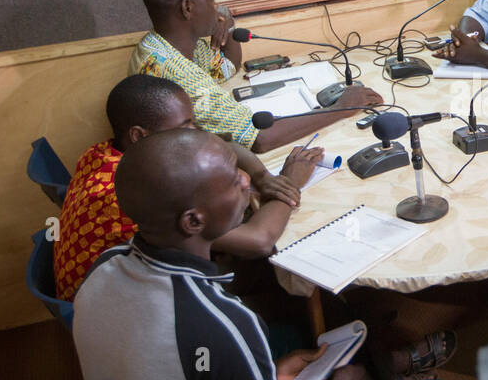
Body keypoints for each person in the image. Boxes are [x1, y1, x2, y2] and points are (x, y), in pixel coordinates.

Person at [72, 127, 467, 380]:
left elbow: (176, 378)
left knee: (297, 345)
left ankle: (369, 374)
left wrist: (268, 374)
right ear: (194, 220)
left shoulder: (104, 269)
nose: (247, 179)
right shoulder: (217, 322)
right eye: (232, 178)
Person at [54, 74, 320, 301]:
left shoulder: (103, 153)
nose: (195, 131)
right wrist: (290, 183)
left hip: (118, 286)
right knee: (271, 276)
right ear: (139, 135)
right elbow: (258, 241)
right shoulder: (134, 194)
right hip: (123, 310)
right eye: (185, 126)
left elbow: (214, 144)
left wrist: (262, 176)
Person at [128, 0, 380, 152]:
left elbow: (228, 67)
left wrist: (227, 21)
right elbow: (260, 139)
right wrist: (343, 107)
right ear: (187, 8)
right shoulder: (175, 73)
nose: (216, 7)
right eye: (212, 0)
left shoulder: (164, 45)